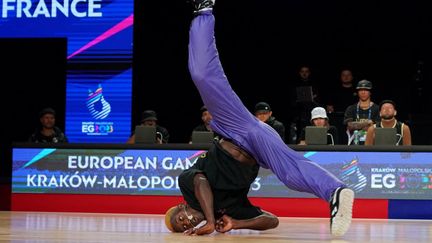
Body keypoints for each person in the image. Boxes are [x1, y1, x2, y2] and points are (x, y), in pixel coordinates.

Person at [166, 0, 354, 237]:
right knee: (290, 174)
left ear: (182, 206)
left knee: (203, 76)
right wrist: (235, 222)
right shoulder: (229, 209)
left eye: (180, 218)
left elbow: (201, 182)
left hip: (233, 128)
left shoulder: (187, 186)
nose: (186, 222)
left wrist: (211, 221)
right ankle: (336, 191)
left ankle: (203, 10)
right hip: (258, 149)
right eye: (184, 225)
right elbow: (270, 221)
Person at [343, 80, 380, 145]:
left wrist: (357, 125)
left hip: (373, 144)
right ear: (357, 92)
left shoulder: (377, 109)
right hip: (355, 144)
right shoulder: (351, 109)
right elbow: (350, 126)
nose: (363, 92)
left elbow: (378, 128)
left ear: (370, 92)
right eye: (360, 90)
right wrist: (368, 123)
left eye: (366, 90)